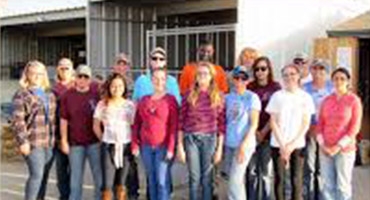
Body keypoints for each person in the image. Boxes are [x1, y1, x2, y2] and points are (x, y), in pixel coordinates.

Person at [177, 61, 225, 200]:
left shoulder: (219, 96)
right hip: (191, 139)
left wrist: (219, 149)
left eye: (205, 73)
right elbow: (180, 122)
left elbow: (222, 125)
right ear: (195, 77)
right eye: (199, 73)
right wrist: (180, 146)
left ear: (211, 76)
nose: (202, 76)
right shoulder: (188, 95)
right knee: (194, 178)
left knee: (207, 178)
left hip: (210, 139)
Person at [266, 63, 315, 200]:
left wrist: (291, 145)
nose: (289, 77)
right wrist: (283, 146)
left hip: (297, 145)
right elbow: (273, 121)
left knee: (296, 179)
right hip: (278, 144)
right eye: (286, 75)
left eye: (292, 74)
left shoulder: (306, 97)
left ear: (299, 76)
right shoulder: (277, 96)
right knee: (280, 180)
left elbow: (305, 123)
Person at [12, 60, 57, 200]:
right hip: (33, 141)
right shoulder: (22, 94)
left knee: (43, 176)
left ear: (44, 75)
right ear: (27, 75)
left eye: (40, 73)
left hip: (49, 142)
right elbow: (18, 120)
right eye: (33, 73)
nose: (37, 76)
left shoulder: (50, 94)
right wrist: (22, 141)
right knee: (36, 174)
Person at [132, 68, 178, 200]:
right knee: (151, 181)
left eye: (162, 79)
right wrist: (135, 144)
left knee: (162, 182)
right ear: (151, 80)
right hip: (146, 147)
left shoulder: (170, 100)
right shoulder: (144, 100)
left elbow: (173, 125)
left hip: (162, 147)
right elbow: (136, 124)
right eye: (155, 78)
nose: (158, 81)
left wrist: (170, 147)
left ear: (165, 81)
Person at [317, 67, 363, 200]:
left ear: (348, 81)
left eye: (342, 79)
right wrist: (323, 145)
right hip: (325, 150)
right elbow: (320, 125)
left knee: (342, 186)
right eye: (336, 79)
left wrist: (337, 147)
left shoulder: (354, 101)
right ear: (332, 81)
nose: (339, 81)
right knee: (327, 186)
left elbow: (355, 128)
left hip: (345, 150)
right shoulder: (326, 101)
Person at [60, 64, 102, 200]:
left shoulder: (97, 95)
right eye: (80, 76)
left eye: (86, 77)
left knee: (99, 178)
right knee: (76, 179)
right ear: (75, 78)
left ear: (90, 79)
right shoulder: (67, 96)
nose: (83, 79)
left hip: (94, 143)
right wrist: (64, 140)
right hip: (75, 144)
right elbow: (64, 120)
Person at [93, 73, 136, 200]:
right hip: (108, 146)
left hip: (126, 146)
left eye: (120, 86)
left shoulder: (130, 105)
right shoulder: (102, 104)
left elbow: (135, 126)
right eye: (113, 86)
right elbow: (95, 125)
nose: (116, 89)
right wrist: (104, 139)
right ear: (109, 87)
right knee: (107, 184)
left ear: (124, 88)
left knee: (122, 183)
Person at [223, 66, 261, 200]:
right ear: (233, 79)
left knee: (235, 180)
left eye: (243, 78)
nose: (239, 80)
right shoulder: (226, 97)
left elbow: (254, 124)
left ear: (248, 80)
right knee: (232, 181)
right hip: (228, 144)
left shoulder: (252, 97)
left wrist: (244, 145)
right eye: (237, 77)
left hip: (244, 144)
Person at [247, 56, 281, 200]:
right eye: (257, 69)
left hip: (268, 135)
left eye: (263, 68)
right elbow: (246, 111)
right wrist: (255, 132)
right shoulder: (249, 87)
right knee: (252, 172)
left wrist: (263, 132)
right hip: (251, 135)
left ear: (269, 70)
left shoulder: (276, 88)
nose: (260, 72)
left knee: (266, 173)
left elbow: (276, 113)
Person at [302, 59, 333, 200]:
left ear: (326, 72)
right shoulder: (304, 88)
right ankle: (308, 195)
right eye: (315, 68)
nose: (318, 72)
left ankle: (321, 196)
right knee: (309, 166)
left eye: (322, 69)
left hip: (327, 133)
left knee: (323, 167)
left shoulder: (332, 88)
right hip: (309, 131)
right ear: (311, 70)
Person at [111, 52, 140, 199]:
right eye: (119, 63)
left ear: (128, 67)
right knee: (115, 166)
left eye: (125, 64)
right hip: (111, 133)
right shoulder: (107, 84)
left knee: (130, 164)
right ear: (114, 65)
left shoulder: (133, 84)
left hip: (128, 130)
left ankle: (133, 193)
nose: (122, 66)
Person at [52, 58, 75, 200]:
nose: (64, 70)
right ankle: (64, 196)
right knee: (61, 171)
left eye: (67, 67)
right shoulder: (52, 89)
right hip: (58, 137)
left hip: (76, 137)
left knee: (74, 171)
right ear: (57, 70)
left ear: (72, 70)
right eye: (61, 68)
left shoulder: (78, 86)